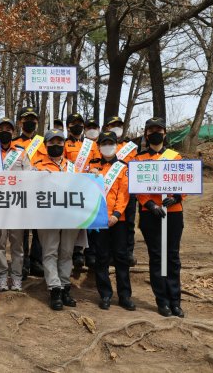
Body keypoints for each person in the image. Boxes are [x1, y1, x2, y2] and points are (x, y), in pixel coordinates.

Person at [136, 117, 185, 318]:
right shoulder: (139, 159)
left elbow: (185, 183)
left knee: (172, 257)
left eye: (159, 130)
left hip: (173, 214)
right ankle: (162, 301)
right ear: (146, 134)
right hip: (151, 214)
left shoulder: (175, 157)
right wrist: (149, 204)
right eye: (151, 130)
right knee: (157, 257)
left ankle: (175, 301)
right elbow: (137, 187)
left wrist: (175, 197)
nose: (155, 133)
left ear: (165, 133)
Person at [31, 129, 79, 311]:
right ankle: (54, 289)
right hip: (47, 217)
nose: (56, 145)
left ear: (65, 144)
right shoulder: (36, 167)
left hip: (70, 217)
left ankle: (66, 287)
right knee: (50, 252)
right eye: (52, 142)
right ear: (46, 145)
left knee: (67, 252)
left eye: (60, 142)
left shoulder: (74, 167)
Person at [88, 131, 135, 311]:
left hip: (118, 220)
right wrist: (90, 175)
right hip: (99, 220)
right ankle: (105, 294)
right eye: (104, 143)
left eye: (111, 143)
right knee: (101, 258)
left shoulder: (123, 168)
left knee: (121, 257)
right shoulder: (93, 167)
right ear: (99, 146)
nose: (108, 146)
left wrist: (116, 214)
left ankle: (124, 296)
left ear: (116, 145)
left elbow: (124, 194)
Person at [0, 118, 30, 291]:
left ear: (13, 133)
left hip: (16, 205)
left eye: (8, 129)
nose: (5, 131)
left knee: (17, 244)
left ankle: (16, 277)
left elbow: (30, 176)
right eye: (1, 129)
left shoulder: (21, 153)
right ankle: (1, 276)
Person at [64, 113, 100, 269]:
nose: (77, 126)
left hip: (88, 187)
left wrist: (94, 169)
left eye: (80, 123)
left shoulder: (90, 145)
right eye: (74, 123)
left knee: (89, 220)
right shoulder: (64, 144)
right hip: (69, 187)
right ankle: (75, 253)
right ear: (68, 127)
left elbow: (97, 163)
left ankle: (89, 254)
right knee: (72, 221)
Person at [13, 107, 46, 279]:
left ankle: (36, 261)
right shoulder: (14, 143)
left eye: (33, 119)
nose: (30, 122)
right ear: (20, 122)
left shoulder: (44, 142)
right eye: (26, 119)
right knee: (23, 230)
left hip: (40, 189)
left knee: (39, 228)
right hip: (21, 190)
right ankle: (23, 263)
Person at [103, 115, 139, 267]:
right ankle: (109, 253)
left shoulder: (130, 147)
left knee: (128, 223)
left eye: (119, 125)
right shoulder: (104, 146)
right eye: (113, 125)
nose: (117, 127)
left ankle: (128, 252)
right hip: (110, 190)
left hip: (127, 188)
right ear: (107, 128)